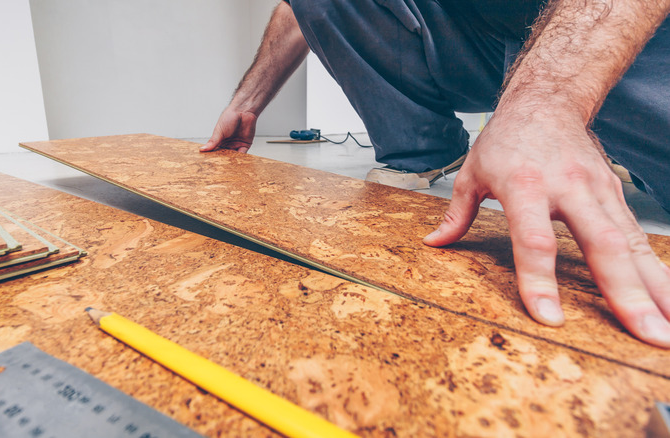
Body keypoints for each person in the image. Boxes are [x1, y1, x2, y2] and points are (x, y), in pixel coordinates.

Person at [200, 0, 670, 348]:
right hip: (479, 35)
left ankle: (592, 134)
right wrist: (247, 102)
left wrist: (545, 104)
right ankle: (424, 148)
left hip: (629, 32)